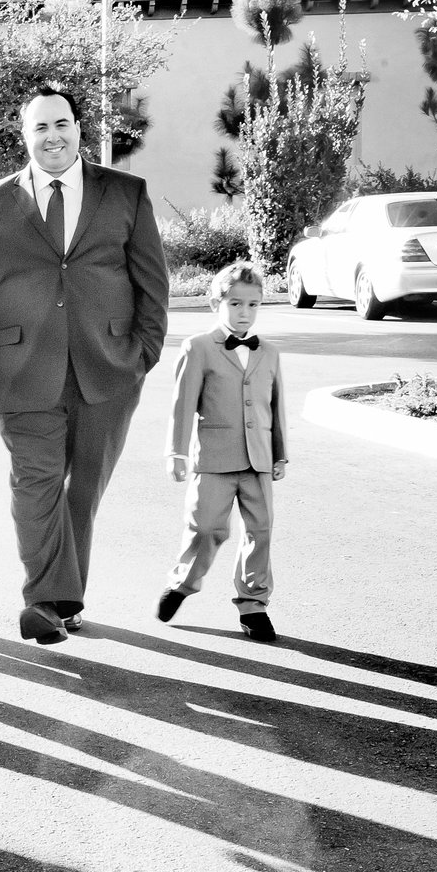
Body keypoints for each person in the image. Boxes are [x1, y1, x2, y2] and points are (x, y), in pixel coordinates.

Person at [0, 83, 169, 645]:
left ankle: (64, 600)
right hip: (22, 368)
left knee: (83, 490)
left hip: (109, 367)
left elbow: (152, 284)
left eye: (61, 123)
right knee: (36, 484)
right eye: (40, 127)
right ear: (24, 136)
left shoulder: (126, 193)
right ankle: (45, 602)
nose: (52, 136)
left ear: (78, 129)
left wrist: (143, 355)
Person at [159, 263, 286, 641]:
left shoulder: (270, 352)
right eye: (235, 304)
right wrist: (177, 453)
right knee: (206, 528)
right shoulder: (198, 347)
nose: (244, 312)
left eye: (252, 305)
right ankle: (183, 583)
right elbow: (183, 404)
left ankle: (253, 605)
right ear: (217, 304)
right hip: (214, 458)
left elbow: (275, 405)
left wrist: (280, 454)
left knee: (260, 531)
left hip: (258, 458)